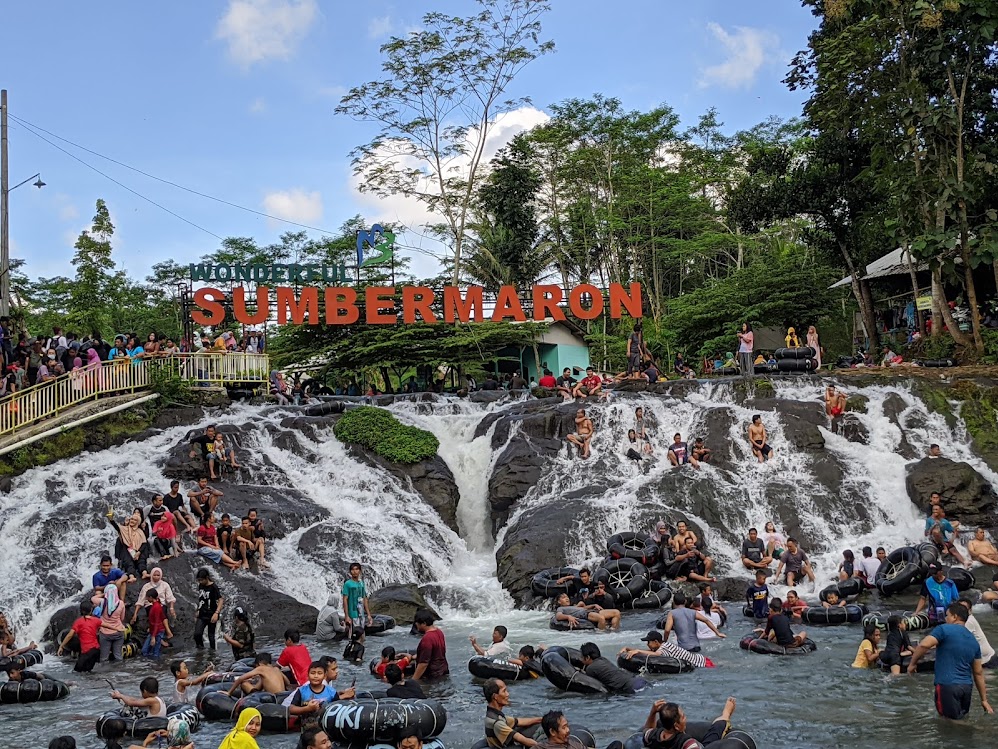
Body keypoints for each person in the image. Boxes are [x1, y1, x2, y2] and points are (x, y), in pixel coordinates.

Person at [908, 602, 993, 719]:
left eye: (947, 615)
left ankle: (978, 730)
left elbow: (923, 645)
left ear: (955, 617)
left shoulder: (944, 629)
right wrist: (984, 700)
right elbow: (978, 673)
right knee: (960, 719)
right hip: (966, 688)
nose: (946, 619)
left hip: (947, 686)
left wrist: (912, 664)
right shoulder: (973, 641)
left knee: (948, 722)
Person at [642, 697, 738, 749]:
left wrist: (653, 712)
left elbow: (646, 730)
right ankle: (725, 715)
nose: (685, 718)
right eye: (683, 717)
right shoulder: (688, 743)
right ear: (676, 725)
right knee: (716, 730)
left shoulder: (652, 735)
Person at [484, 678, 542, 748]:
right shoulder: (497, 722)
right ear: (495, 696)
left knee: (536, 724)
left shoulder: (494, 714)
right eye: (504, 691)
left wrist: (542, 719)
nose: (507, 694)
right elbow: (524, 740)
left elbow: (519, 721)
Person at [580, 642, 645, 694]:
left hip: (630, 687)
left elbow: (591, 685)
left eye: (582, 657)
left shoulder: (590, 668)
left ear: (588, 657)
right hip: (638, 680)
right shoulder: (603, 659)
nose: (581, 659)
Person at [58, 600, 102, 672]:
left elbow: (69, 635)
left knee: (76, 672)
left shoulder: (79, 622)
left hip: (86, 652)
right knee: (88, 671)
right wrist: (118, 628)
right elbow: (106, 625)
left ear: (81, 611)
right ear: (91, 610)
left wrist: (61, 646)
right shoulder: (96, 620)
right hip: (96, 651)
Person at [107, 510, 149, 582]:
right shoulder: (124, 529)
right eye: (131, 519)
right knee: (128, 561)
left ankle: (144, 573)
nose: (132, 521)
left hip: (138, 551)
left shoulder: (140, 531)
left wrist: (138, 552)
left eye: (135, 520)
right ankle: (131, 576)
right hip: (128, 549)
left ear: (138, 522)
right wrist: (111, 519)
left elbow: (144, 543)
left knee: (141, 560)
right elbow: (116, 527)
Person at [957, 597, 998, 669]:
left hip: (987, 661)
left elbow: (955, 638)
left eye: (964, 608)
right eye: (959, 608)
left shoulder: (969, 621)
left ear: (970, 610)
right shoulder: (963, 621)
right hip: (983, 659)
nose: (962, 611)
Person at [227, 652, 291, 696]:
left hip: (275, 697)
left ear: (259, 664)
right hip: (283, 695)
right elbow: (287, 682)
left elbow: (241, 678)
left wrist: (229, 693)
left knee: (244, 683)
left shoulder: (261, 668)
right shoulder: (276, 669)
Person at [342, 562, 374, 643]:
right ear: (350, 572)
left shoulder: (361, 583)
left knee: (362, 635)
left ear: (360, 571)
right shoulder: (347, 584)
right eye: (352, 569)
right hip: (352, 614)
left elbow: (364, 598)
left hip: (361, 614)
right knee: (353, 636)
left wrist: (369, 615)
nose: (354, 571)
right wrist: (346, 616)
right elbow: (345, 599)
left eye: (356, 569)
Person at [413, 608, 449, 680]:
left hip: (432, 675)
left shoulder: (427, 638)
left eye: (417, 623)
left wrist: (413, 680)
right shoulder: (439, 632)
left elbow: (423, 664)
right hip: (443, 670)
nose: (416, 625)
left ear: (424, 623)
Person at [553, 592, 620, 630]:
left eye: (567, 597)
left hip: (590, 611)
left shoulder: (574, 606)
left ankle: (613, 631)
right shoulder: (561, 608)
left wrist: (594, 605)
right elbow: (558, 616)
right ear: (559, 601)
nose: (567, 598)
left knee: (616, 612)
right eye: (564, 597)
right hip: (584, 614)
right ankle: (602, 634)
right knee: (601, 618)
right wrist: (568, 617)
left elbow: (585, 607)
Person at [194, 567, 224, 650]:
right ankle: (200, 650)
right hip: (202, 614)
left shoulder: (213, 587)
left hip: (212, 614)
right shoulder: (201, 586)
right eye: (199, 580)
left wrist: (216, 613)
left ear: (207, 578)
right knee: (197, 634)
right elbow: (201, 599)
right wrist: (198, 610)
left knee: (211, 636)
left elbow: (221, 600)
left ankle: (213, 654)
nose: (200, 582)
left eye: (201, 580)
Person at [99, 583, 127, 663]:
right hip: (118, 631)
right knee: (118, 655)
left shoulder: (102, 602)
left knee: (104, 657)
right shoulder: (121, 603)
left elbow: (93, 598)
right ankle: (119, 673)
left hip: (105, 632)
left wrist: (104, 594)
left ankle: (104, 673)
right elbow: (122, 618)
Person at [140, 588, 171, 658]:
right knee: (146, 651)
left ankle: (155, 665)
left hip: (157, 631)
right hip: (154, 631)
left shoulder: (156, 607)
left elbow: (157, 622)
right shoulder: (157, 605)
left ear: (150, 597)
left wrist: (153, 636)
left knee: (155, 652)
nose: (146, 599)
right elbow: (161, 617)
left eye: (147, 597)